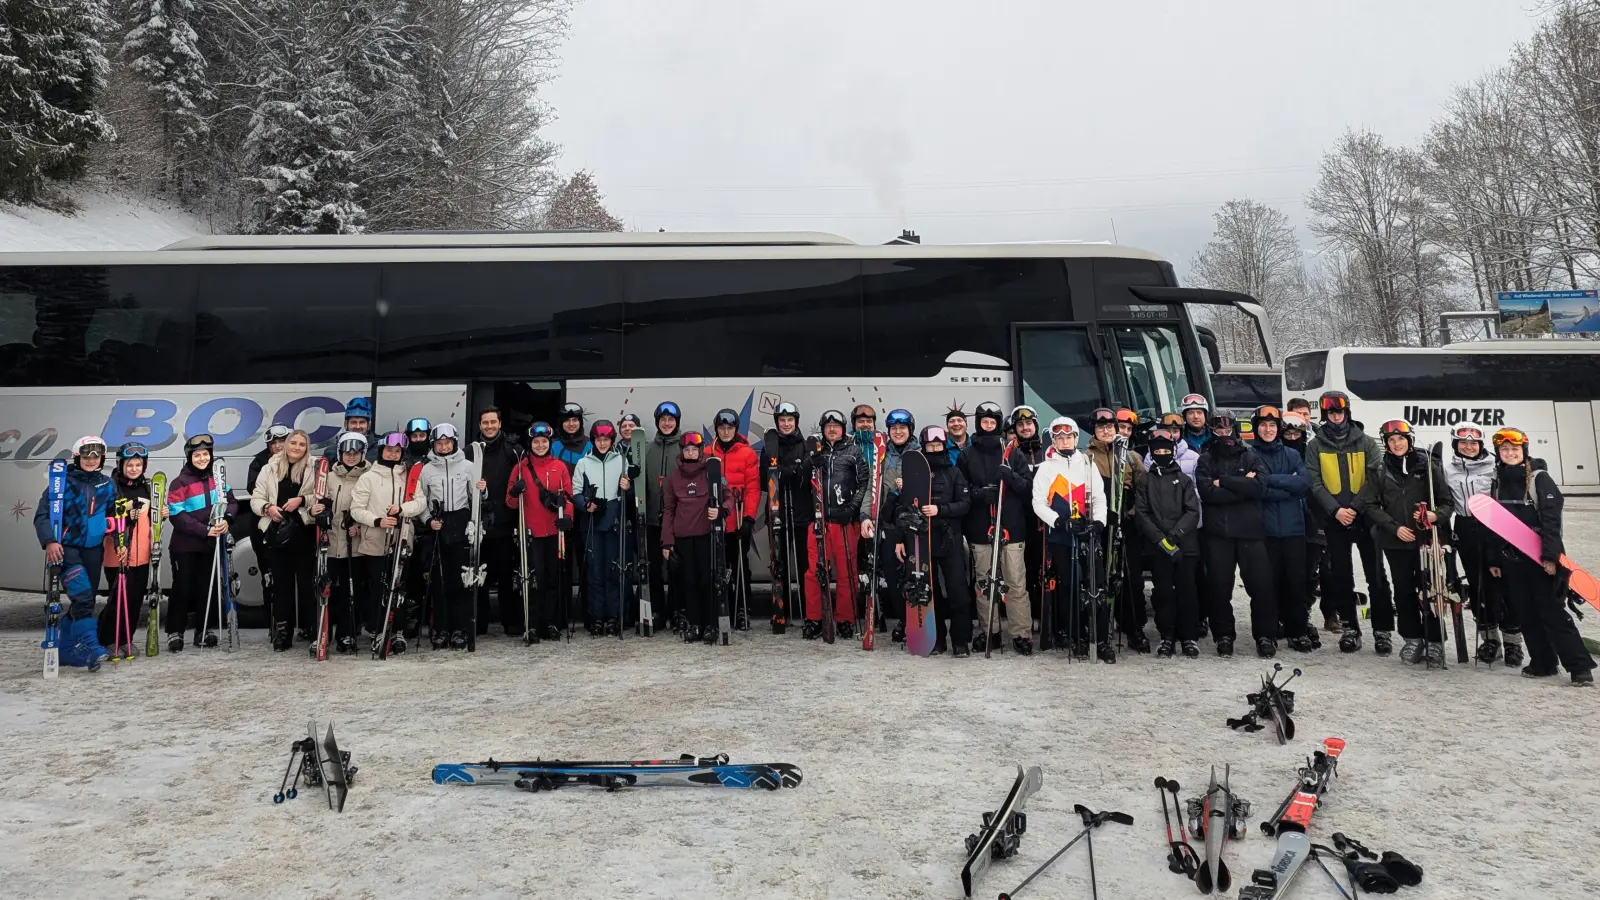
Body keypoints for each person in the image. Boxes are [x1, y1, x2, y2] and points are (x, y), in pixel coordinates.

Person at [1485, 427, 1593, 685]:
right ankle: (1543, 662)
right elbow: (1494, 524)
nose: (1510, 453)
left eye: (1515, 449)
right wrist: (1494, 559)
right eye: (1505, 449)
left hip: (1542, 559)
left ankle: (1579, 667)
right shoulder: (1497, 480)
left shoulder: (1539, 478)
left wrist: (1550, 556)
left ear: (1524, 451)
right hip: (1512, 559)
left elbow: (1552, 520)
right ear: (1499, 453)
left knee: (1551, 611)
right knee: (1526, 612)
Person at [1359, 419, 1456, 666]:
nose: (1396, 444)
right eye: (1391, 440)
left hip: (1426, 540)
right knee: (1403, 591)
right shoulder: (1379, 470)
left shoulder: (1428, 467)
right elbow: (1370, 505)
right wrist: (1394, 528)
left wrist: (1435, 516)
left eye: (1401, 439)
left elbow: (1446, 502)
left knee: (1430, 591)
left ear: (1409, 440)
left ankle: (1434, 641)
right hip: (1396, 541)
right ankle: (1412, 638)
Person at [1306, 390, 1393, 655]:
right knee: (1340, 576)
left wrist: (1354, 508)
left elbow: (1374, 478)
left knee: (1376, 575)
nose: (1336, 416)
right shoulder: (1315, 446)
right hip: (1334, 520)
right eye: (1331, 412)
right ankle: (1351, 628)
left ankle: (1382, 630)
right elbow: (1314, 481)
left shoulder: (1366, 442)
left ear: (1347, 413)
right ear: (1325, 415)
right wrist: (1335, 511)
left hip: (1366, 518)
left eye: (1340, 411)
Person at [1196, 414, 1277, 658]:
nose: (1223, 432)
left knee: (1261, 587)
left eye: (1227, 427)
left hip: (1251, 532)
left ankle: (1265, 635)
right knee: (1220, 588)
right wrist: (1242, 485)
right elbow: (1207, 493)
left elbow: (1259, 488)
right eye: (1218, 428)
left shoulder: (1250, 455)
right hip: (1219, 533)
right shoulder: (1206, 459)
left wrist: (1225, 482)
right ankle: (1223, 635)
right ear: (1212, 430)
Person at [33, 437, 117, 670]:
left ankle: (67, 649)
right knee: (83, 597)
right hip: (67, 549)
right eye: (87, 456)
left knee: (85, 598)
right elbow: (42, 516)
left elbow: (114, 513)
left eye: (96, 456)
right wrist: (50, 541)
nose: (91, 460)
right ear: (78, 457)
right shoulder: (63, 483)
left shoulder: (107, 485)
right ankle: (91, 645)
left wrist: (115, 524)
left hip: (93, 549)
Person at [890, 425, 974, 656]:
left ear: (944, 446)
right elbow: (903, 511)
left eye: (938, 445)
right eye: (930, 446)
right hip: (922, 541)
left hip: (950, 539)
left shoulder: (955, 473)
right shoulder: (914, 476)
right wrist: (899, 539)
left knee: (957, 591)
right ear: (924, 448)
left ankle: (960, 641)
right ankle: (936, 639)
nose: (935, 449)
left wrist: (941, 509)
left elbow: (965, 505)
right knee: (930, 591)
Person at [959, 402, 1035, 654]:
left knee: (1015, 582)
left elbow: (1028, 489)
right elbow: (960, 489)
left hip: (1011, 526)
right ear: (978, 423)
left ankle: (1021, 633)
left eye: (993, 422)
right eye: (984, 422)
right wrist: (979, 495)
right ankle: (989, 630)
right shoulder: (967, 454)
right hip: (981, 527)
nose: (988, 426)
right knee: (984, 582)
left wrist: (1010, 477)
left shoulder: (1012, 452)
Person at [1443, 425, 1522, 667]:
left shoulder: (1495, 467)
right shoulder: (1448, 470)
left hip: (1494, 527)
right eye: (1463, 443)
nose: (1468, 447)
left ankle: (1513, 644)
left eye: (1473, 443)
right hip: (1465, 528)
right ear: (1455, 445)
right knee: (1478, 587)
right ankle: (1490, 641)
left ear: (1481, 445)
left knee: (1504, 586)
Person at [1030, 417, 1109, 659]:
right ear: (1054, 440)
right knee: (1070, 585)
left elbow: (1099, 498)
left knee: (1095, 585)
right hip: (1062, 536)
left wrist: (1098, 521)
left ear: (1076, 438)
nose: (1065, 441)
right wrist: (1059, 521)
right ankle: (1076, 636)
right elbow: (1038, 503)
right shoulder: (1046, 467)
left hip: (1088, 533)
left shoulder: (1087, 462)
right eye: (1059, 437)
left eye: (1069, 436)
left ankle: (1100, 637)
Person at [351, 432, 427, 651]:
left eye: (397, 451)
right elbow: (356, 509)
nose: (393, 454)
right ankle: (378, 629)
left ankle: (398, 631)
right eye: (389, 450)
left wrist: (402, 509)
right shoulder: (369, 477)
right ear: (381, 451)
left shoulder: (409, 476)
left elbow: (420, 502)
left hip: (401, 539)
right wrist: (377, 520)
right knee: (378, 587)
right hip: (375, 540)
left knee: (399, 587)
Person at [1252, 406, 1317, 653]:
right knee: (1265, 585)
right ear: (1256, 427)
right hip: (1263, 531)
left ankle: (1297, 631)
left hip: (1293, 529)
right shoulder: (1250, 455)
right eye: (1263, 425)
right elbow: (1256, 489)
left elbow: (1302, 483)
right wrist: (1284, 483)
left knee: (1296, 583)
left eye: (1272, 425)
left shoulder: (1291, 454)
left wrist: (1269, 479)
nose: (1268, 430)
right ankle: (1266, 634)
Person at [163, 434, 236, 651]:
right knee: (183, 588)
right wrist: (205, 530)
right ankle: (175, 632)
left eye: (205, 454)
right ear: (189, 457)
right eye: (197, 455)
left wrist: (226, 520)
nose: (202, 458)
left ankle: (205, 630)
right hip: (185, 546)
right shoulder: (180, 482)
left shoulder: (218, 480)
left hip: (210, 545)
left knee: (208, 587)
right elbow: (178, 515)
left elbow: (231, 503)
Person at [1086, 407, 1149, 652]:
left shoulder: (1131, 456)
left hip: (1127, 523)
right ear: (1094, 430)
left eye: (1110, 427)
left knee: (1130, 577)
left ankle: (1134, 628)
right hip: (1100, 524)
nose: (1106, 431)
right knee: (1101, 576)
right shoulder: (1086, 456)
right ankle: (1099, 629)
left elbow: (1144, 488)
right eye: (1101, 427)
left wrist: (1133, 511)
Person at [805, 410, 871, 640]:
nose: (832, 429)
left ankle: (846, 618)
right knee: (815, 571)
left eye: (836, 425)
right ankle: (815, 617)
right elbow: (803, 483)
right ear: (822, 429)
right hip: (819, 520)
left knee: (846, 572)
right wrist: (810, 464)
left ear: (843, 429)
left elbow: (865, 482)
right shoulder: (815, 450)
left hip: (844, 521)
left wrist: (852, 509)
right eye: (828, 425)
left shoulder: (853, 451)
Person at [1135, 432, 1202, 658]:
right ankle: (1167, 636)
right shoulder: (1146, 480)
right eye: (1158, 452)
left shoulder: (1184, 480)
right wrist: (1159, 538)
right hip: (1158, 547)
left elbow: (1193, 510)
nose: (1162, 455)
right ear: (1152, 454)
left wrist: (1176, 535)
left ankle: (1189, 636)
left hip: (1184, 545)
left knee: (1187, 591)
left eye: (1166, 451)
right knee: (1163, 592)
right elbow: (1142, 513)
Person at [506, 422, 575, 642]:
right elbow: (510, 503)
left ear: (550, 443)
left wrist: (568, 517)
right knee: (533, 580)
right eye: (536, 442)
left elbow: (568, 497)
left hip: (555, 532)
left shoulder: (560, 466)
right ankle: (532, 624)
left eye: (544, 442)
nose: (540, 445)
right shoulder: (520, 467)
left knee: (553, 578)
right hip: (531, 533)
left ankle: (550, 622)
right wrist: (515, 493)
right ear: (530, 443)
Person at [250, 428, 316, 651]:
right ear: (286, 445)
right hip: (277, 532)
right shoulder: (270, 467)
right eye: (293, 443)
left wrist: (302, 500)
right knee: (281, 586)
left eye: (302, 444)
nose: (296, 448)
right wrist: (268, 508)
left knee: (308, 585)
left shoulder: (314, 467)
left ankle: (313, 630)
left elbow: (323, 495)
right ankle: (283, 633)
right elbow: (256, 497)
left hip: (304, 530)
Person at [308, 432, 372, 653]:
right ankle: (320, 632)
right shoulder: (328, 475)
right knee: (322, 589)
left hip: (352, 543)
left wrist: (359, 526)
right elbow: (313, 499)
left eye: (355, 453)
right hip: (328, 542)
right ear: (340, 453)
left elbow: (374, 508)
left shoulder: (368, 477)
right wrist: (315, 511)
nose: (351, 457)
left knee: (348, 591)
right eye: (347, 452)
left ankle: (346, 633)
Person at [661, 432, 726, 643]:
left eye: (694, 449)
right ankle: (695, 624)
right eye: (687, 450)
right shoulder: (674, 477)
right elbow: (668, 510)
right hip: (683, 538)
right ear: (682, 452)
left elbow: (729, 497)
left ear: (700, 451)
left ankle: (710, 624)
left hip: (705, 536)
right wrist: (667, 541)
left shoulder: (711, 471)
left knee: (706, 580)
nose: (690, 453)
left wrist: (721, 511)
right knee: (688, 582)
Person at [420, 423, 477, 650]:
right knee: (439, 580)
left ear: (454, 442)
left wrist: (483, 490)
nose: (443, 447)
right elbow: (420, 500)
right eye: (439, 444)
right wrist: (427, 520)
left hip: (461, 523)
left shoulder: (469, 466)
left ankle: (460, 628)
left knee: (460, 580)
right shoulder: (427, 470)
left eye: (447, 443)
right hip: (439, 524)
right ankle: (441, 628)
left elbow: (478, 500)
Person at [97, 443, 157, 651]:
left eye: (138, 465)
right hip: (118, 553)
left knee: (134, 601)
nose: (133, 469)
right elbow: (105, 513)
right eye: (129, 464)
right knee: (117, 600)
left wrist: (161, 514)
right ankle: (105, 637)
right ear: (120, 465)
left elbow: (150, 518)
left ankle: (125, 639)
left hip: (141, 554)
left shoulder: (147, 487)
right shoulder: (111, 486)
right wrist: (126, 511)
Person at [471, 407, 523, 637]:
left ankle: (510, 621)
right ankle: (479, 622)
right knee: (478, 575)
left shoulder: (513, 450)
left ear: (500, 423)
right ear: (480, 425)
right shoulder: (470, 452)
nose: (489, 426)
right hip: (479, 523)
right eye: (485, 423)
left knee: (505, 575)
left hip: (505, 521)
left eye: (493, 422)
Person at [706, 407, 760, 629]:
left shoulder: (747, 453)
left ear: (736, 429)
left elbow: (752, 489)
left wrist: (748, 519)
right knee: (717, 566)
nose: (726, 432)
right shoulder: (708, 452)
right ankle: (722, 607)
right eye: (722, 428)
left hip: (736, 520)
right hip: (714, 521)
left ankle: (741, 609)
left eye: (729, 428)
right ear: (716, 429)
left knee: (739, 565)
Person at [1282, 411, 1335, 634]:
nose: (1293, 437)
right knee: (1285, 572)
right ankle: (1285, 617)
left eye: (1297, 433)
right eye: (1289, 433)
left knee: (1311, 572)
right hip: (1283, 518)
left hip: (1312, 518)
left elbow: (1316, 483)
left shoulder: (1313, 453)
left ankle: (1305, 616)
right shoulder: (1276, 453)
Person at [573, 419, 627, 636]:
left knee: (613, 571)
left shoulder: (621, 460)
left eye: (606, 439)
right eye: (598, 439)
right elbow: (575, 492)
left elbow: (630, 490)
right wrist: (586, 504)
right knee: (595, 573)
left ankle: (613, 616)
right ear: (593, 440)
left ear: (611, 440)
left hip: (613, 520)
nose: (602, 443)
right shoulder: (583, 463)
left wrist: (628, 486)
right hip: (592, 521)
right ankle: (596, 618)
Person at [761, 401, 810, 635]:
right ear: (777, 423)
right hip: (778, 511)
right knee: (780, 564)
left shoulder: (806, 445)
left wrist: (790, 471)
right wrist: (787, 471)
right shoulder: (770, 446)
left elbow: (808, 477)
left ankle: (809, 612)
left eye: (790, 420)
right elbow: (765, 479)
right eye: (782, 420)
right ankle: (781, 612)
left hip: (801, 514)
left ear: (796, 422)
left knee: (804, 565)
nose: (787, 424)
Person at [879, 409, 920, 642]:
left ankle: (918, 619)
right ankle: (903, 621)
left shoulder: (920, 453)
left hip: (915, 523)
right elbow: (873, 489)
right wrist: (867, 516)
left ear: (909, 430)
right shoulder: (882, 456)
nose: (898, 432)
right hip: (891, 522)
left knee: (915, 574)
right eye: (894, 429)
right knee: (894, 578)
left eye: (902, 428)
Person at [643, 401, 684, 630]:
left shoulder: (684, 448)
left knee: (676, 567)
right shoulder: (648, 449)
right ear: (657, 422)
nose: (667, 424)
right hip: (651, 518)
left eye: (671, 420)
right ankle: (657, 611)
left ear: (677, 422)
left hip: (678, 520)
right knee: (654, 567)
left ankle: (677, 610)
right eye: (663, 420)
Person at [1007, 405, 1050, 623]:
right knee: (1026, 569)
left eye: (1029, 423)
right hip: (1021, 519)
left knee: (1047, 568)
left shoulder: (1047, 451)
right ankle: (1030, 614)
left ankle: (1046, 614)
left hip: (1046, 519)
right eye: (1020, 424)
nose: (1025, 427)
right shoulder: (1012, 453)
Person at [322, 396, 375, 462]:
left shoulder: (379, 450)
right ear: (346, 424)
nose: (357, 427)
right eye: (353, 422)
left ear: (368, 425)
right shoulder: (331, 452)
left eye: (362, 422)